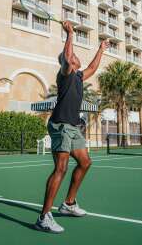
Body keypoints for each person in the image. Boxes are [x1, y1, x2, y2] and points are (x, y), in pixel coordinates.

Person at [35, 21, 109, 233]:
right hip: (60, 125)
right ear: (67, 62)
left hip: (73, 126)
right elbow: (67, 57)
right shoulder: (65, 74)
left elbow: (93, 68)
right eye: (73, 56)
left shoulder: (78, 76)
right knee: (61, 168)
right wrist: (69, 34)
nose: (76, 57)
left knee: (85, 162)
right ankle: (43, 218)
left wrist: (101, 49)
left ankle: (68, 204)